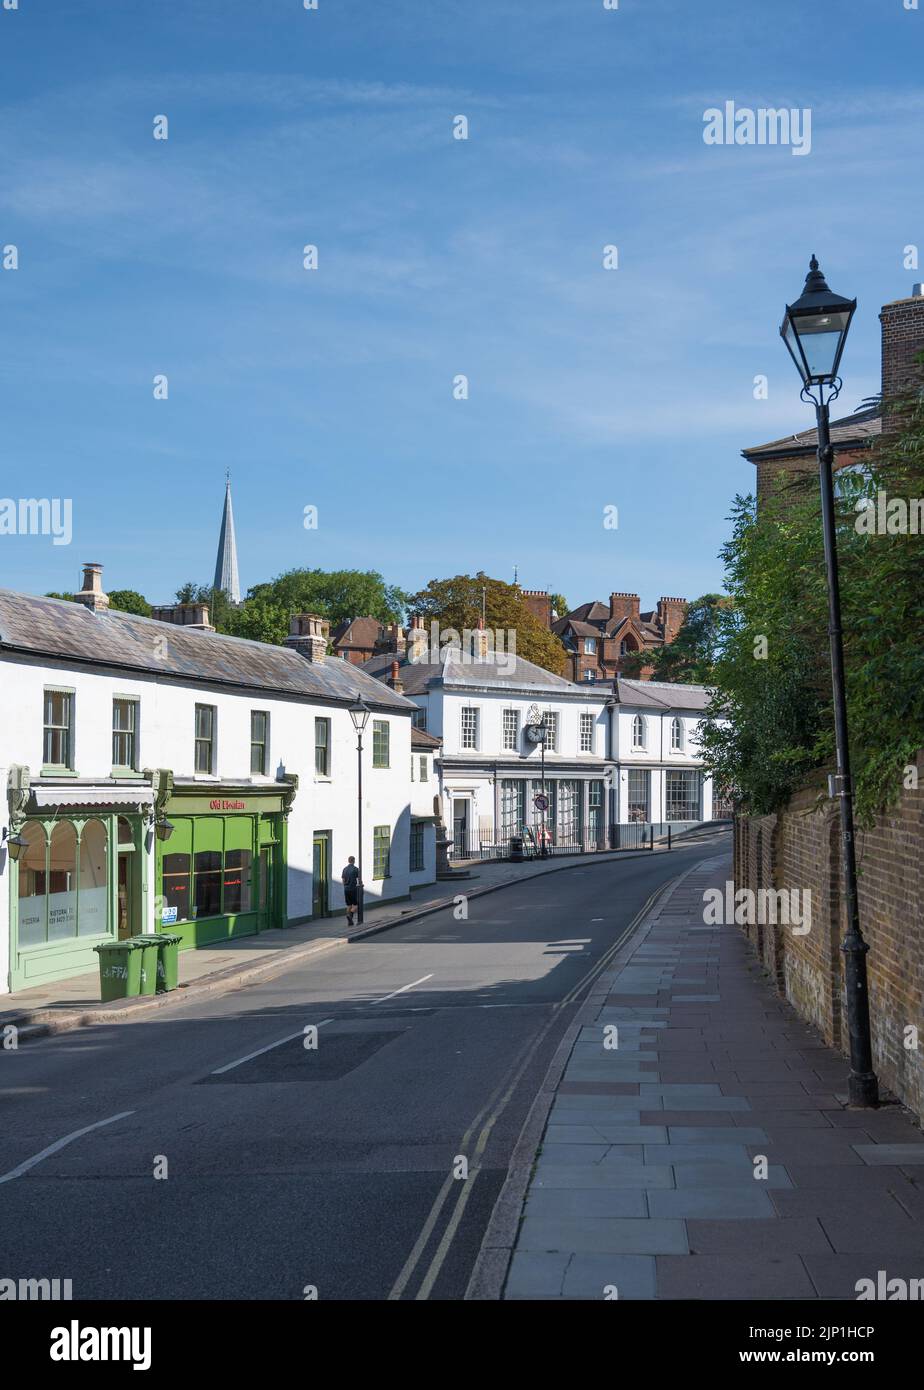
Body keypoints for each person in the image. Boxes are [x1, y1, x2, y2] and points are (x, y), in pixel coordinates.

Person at [342, 855, 360, 927]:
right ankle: (350, 915)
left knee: (348, 905)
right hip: (353, 889)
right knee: (355, 905)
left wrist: (345, 886)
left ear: (348, 861)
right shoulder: (356, 869)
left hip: (346, 889)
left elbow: (343, 879)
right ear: (354, 861)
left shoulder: (345, 869)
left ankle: (349, 920)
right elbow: (359, 879)